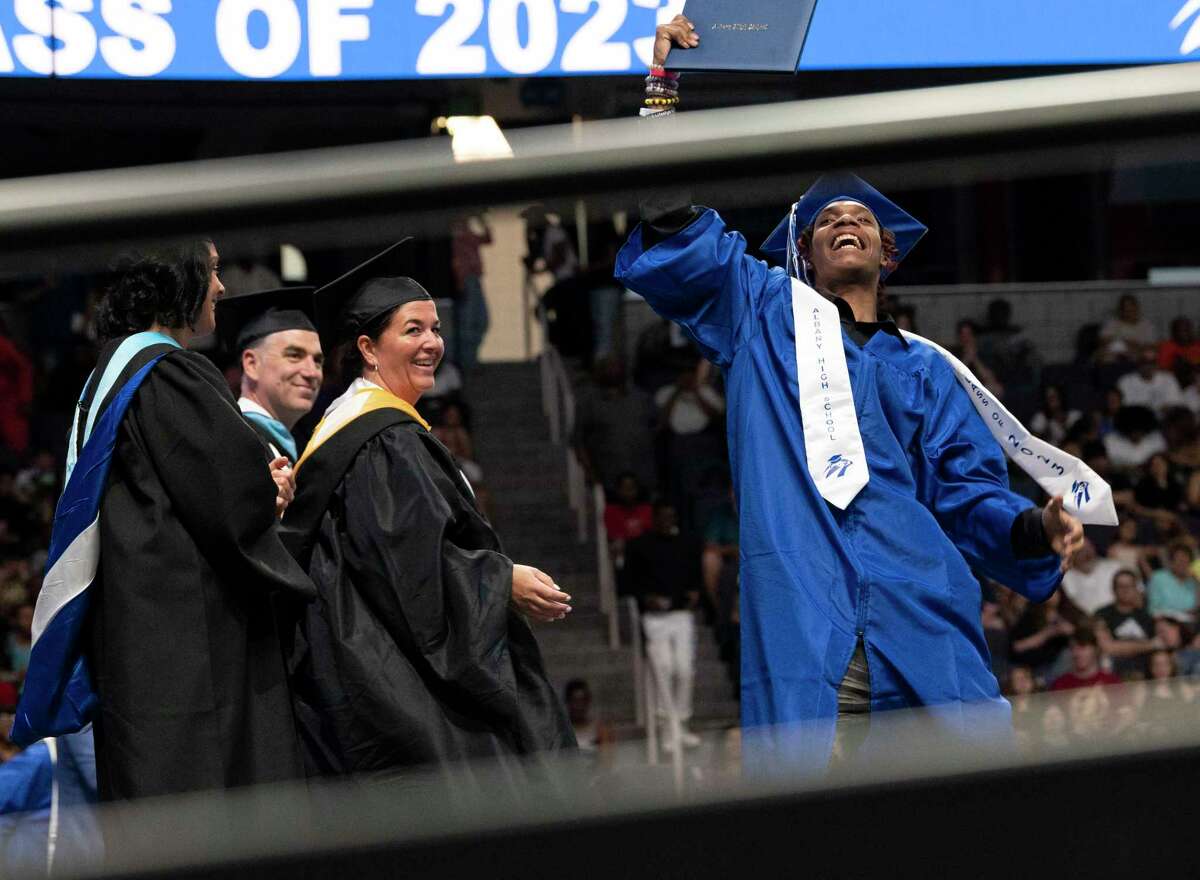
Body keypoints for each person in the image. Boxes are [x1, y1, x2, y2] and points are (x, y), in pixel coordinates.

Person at [615, 16, 1088, 760]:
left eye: (861, 218)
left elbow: (968, 496)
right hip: (807, 602)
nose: (846, 223)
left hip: (922, 605)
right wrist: (663, 87)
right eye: (828, 218)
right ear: (802, 250)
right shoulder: (762, 312)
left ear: (886, 251)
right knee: (818, 823)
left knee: (960, 815)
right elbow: (672, 223)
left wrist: (1037, 528)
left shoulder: (928, 369)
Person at [12, 242, 316, 800]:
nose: (221, 288)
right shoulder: (171, 373)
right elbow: (230, 502)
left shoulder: (104, 377)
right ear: (180, 278)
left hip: (135, 646)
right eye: (214, 270)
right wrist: (268, 494)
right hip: (191, 656)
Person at [282, 243, 575, 778]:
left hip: (374, 664)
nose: (433, 343)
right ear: (369, 348)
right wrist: (499, 580)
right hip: (397, 679)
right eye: (413, 330)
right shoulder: (381, 439)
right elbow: (407, 567)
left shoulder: (365, 427)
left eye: (436, 329)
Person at [623, 500, 703, 751]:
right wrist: (646, 598)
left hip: (681, 614)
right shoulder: (639, 545)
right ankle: (667, 729)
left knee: (685, 669)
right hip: (655, 618)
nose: (668, 521)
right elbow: (627, 582)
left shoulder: (687, 543)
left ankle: (681, 724)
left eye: (672, 516)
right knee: (664, 668)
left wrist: (694, 593)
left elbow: (695, 576)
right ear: (654, 518)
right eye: (663, 516)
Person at [216, 286, 324, 464]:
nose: (312, 372)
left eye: (318, 360)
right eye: (295, 355)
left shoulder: (289, 446)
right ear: (251, 364)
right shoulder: (231, 442)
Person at [1094, 569, 1160, 678]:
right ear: (1113, 589)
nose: (1125, 590)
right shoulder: (1102, 614)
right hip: (1114, 674)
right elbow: (1107, 647)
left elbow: (1160, 643)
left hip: (1145, 673)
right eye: (1121, 586)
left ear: (1136, 589)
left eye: (1129, 586)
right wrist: (1149, 645)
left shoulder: (1147, 616)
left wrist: (1120, 646)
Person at [449, 214, 493, 371]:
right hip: (465, 280)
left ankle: (470, 359)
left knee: (481, 320)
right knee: (467, 322)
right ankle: (467, 362)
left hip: (475, 279)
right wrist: (460, 282)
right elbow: (456, 261)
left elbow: (487, 239)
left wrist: (482, 220)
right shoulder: (456, 233)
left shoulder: (468, 233)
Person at [1060, 539, 1125, 616]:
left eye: (1089, 548)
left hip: (1117, 618)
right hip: (1083, 622)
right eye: (1081, 550)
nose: (1087, 554)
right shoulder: (1064, 579)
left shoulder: (1114, 568)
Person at [1050, 629, 1120, 691]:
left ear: (1096, 649)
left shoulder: (1112, 683)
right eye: (1072, 648)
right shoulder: (1060, 685)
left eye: (1082, 647)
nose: (1076, 653)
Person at [1117, 348, 1182, 414]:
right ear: (1138, 363)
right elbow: (1124, 407)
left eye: (1152, 362)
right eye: (1145, 362)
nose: (1148, 366)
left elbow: (1174, 405)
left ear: (1157, 364)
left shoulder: (1169, 379)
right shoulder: (1125, 381)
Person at [1147, 541, 1199, 620]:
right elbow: (1153, 609)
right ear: (1171, 562)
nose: (1182, 564)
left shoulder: (1194, 582)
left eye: (1185, 561)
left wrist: (1197, 582)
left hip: (1189, 625)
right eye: (1179, 560)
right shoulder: (1158, 578)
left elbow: (1197, 609)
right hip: (1163, 622)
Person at [1099, 293, 1156, 363]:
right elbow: (1104, 340)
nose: (1129, 311)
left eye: (1131, 308)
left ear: (1137, 308)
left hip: (1138, 355)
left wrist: (1135, 346)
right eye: (1125, 308)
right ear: (1121, 310)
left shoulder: (1146, 325)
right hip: (1115, 356)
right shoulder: (1112, 323)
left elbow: (1152, 346)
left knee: (1150, 354)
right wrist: (1125, 343)